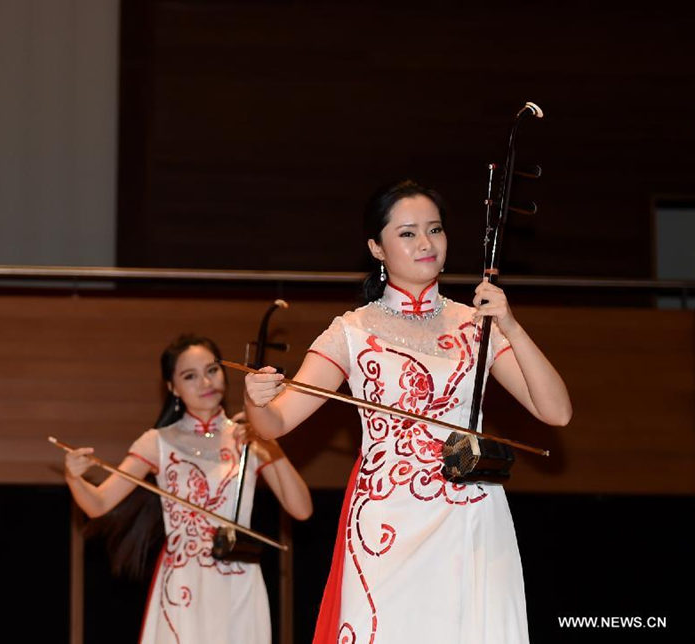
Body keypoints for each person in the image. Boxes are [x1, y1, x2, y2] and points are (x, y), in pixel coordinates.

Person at [243, 179, 572, 643]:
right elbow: (275, 421)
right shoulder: (351, 331)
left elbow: (556, 411)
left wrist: (511, 326)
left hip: (470, 512)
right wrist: (252, 401)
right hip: (386, 520)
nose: (426, 243)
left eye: (434, 230)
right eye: (407, 233)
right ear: (376, 247)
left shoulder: (475, 324)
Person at [63, 334, 313, 643]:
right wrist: (74, 478)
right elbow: (98, 504)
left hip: (239, 581)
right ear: (172, 388)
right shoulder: (157, 442)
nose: (205, 382)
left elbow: (301, 509)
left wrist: (268, 439)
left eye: (212, 370)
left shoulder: (249, 438)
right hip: (183, 583)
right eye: (189, 376)